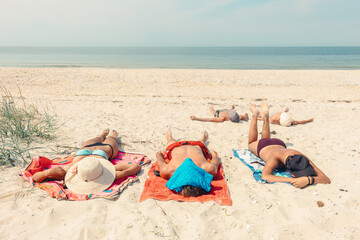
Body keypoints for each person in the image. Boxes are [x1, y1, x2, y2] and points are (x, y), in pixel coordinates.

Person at [248, 103, 330, 188]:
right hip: (265, 146)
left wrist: (308, 180)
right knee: (251, 143)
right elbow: (265, 176)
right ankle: (254, 115)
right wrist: (291, 180)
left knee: (265, 139)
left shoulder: (300, 157)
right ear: (291, 173)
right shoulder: (275, 158)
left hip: (277, 144)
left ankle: (266, 118)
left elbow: (326, 179)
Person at [32, 129, 147, 189]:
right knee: (112, 137)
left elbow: (35, 178)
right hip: (86, 150)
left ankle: (104, 134)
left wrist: (48, 172)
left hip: (101, 151)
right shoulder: (69, 172)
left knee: (105, 137)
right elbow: (136, 167)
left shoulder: (68, 172)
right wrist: (119, 174)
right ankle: (108, 134)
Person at [156, 129, 220, 196]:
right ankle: (202, 139)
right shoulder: (168, 171)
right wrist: (159, 155)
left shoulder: (207, 169)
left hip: (196, 146)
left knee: (170, 141)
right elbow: (160, 159)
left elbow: (215, 161)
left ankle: (169, 136)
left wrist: (214, 154)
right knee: (170, 142)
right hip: (179, 147)